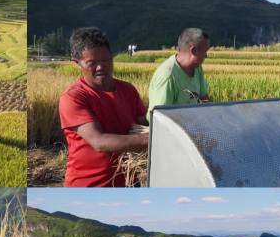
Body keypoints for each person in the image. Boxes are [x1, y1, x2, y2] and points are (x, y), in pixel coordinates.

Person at [58, 27, 149, 187]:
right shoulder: (73, 97)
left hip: (128, 182)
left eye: (106, 60)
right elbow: (99, 142)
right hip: (89, 186)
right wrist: (152, 139)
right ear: (77, 63)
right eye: (92, 63)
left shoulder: (128, 90)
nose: (101, 67)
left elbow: (142, 125)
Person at [147, 28, 210, 120]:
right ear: (193, 51)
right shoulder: (168, 76)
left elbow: (204, 98)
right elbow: (159, 118)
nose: (206, 56)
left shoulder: (197, 68)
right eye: (204, 52)